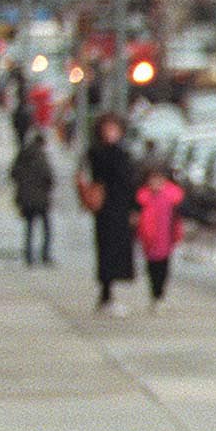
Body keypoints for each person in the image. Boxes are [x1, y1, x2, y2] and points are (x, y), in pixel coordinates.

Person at [78, 113, 141, 313]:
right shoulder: (97, 152)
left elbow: (131, 183)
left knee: (119, 250)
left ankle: (109, 292)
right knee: (106, 250)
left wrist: (134, 209)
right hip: (105, 208)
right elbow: (91, 173)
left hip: (121, 207)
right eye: (108, 129)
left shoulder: (124, 153)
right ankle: (105, 294)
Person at [134, 158, 184, 308]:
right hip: (149, 239)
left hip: (166, 238)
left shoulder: (172, 196)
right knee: (152, 268)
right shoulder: (143, 197)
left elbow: (178, 215)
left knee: (164, 267)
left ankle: (160, 294)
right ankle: (155, 294)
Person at [11, 126, 54, 266]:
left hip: (26, 199)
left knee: (30, 227)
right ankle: (45, 255)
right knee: (46, 228)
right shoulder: (41, 157)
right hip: (41, 198)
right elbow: (48, 177)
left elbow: (13, 174)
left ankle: (29, 256)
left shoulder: (22, 155)